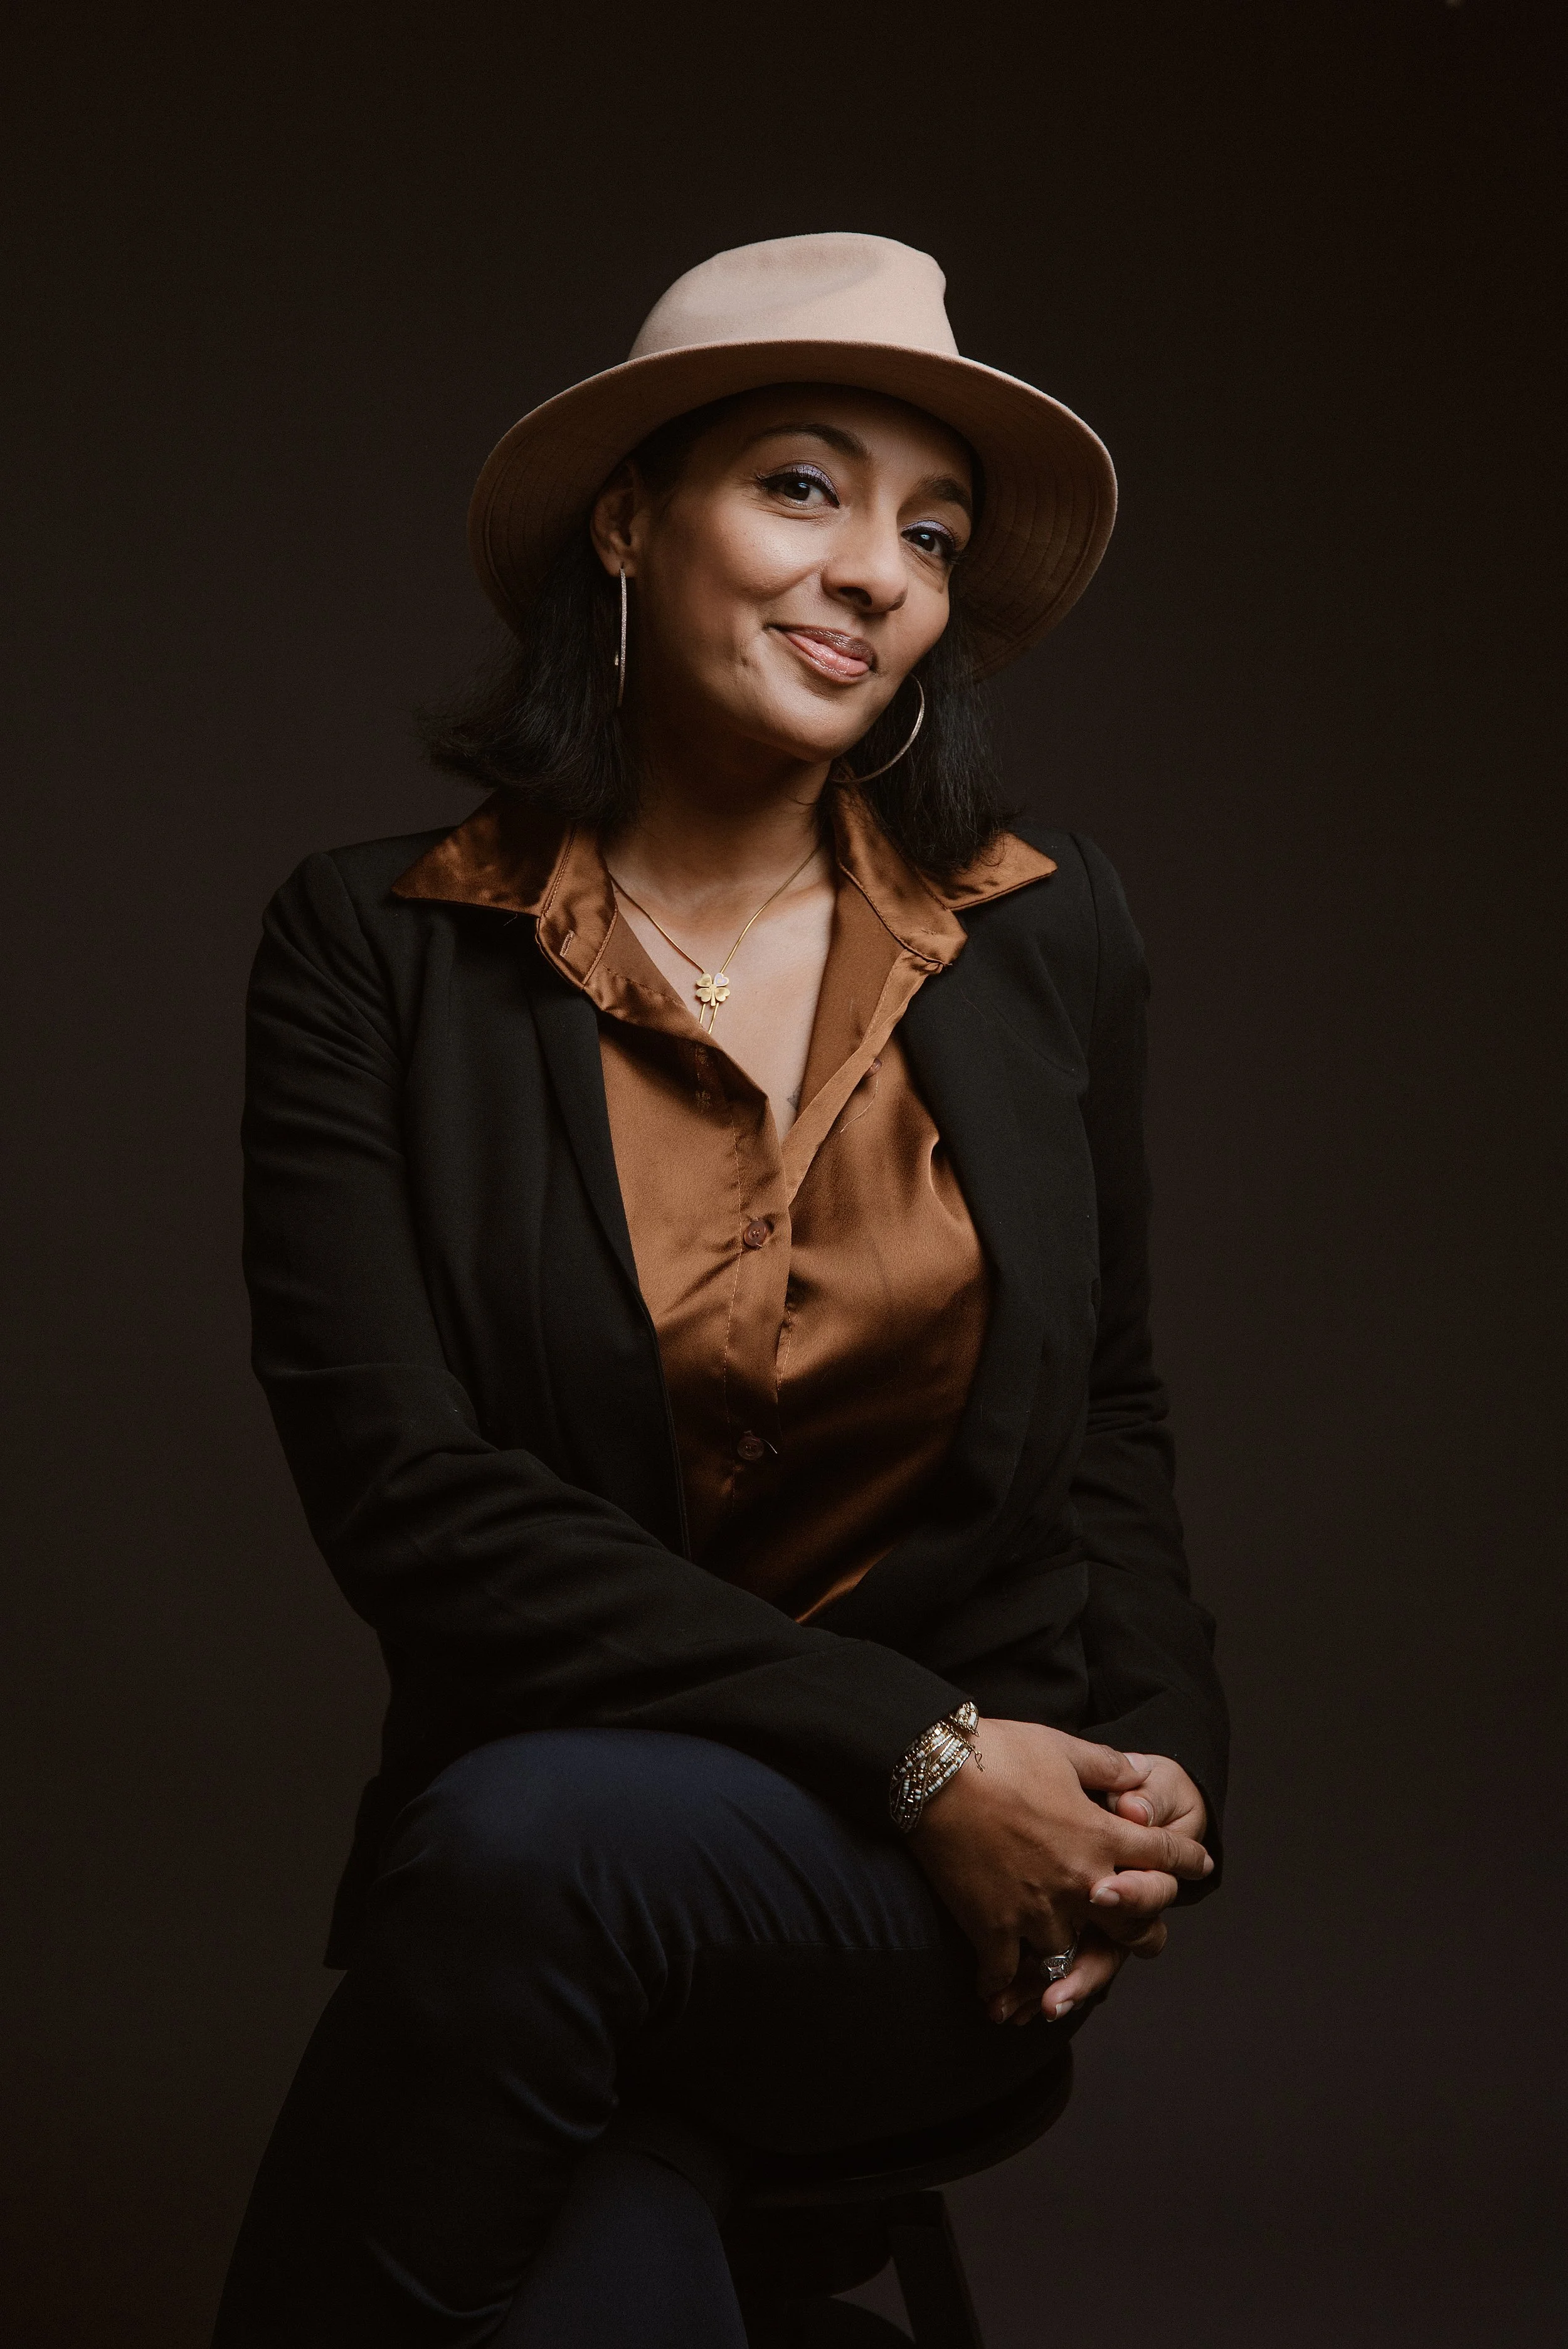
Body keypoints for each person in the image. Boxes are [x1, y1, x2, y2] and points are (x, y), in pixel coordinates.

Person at [213, 232, 1227, 2348]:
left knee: (510, 1871)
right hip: (596, 1847)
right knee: (561, 2071)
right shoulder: (374, 957)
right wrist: (920, 1743)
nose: (873, 570)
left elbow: (1104, 1407)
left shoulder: (1040, 933)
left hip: (899, 1914)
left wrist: (1141, 1774)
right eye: (800, 486)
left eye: (927, 534)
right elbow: (414, 1497)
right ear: (623, 522)